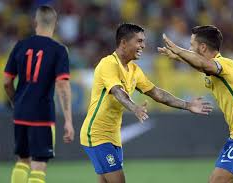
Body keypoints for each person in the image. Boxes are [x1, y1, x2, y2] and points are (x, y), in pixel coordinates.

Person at [80, 23, 213, 183]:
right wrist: (134, 107)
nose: (143, 45)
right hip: (96, 135)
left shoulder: (134, 70)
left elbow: (156, 93)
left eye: (143, 41)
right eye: (139, 41)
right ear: (123, 42)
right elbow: (117, 91)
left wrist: (187, 105)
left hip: (113, 137)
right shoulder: (108, 64)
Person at [158, 25, 233, 183]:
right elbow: (201, 65)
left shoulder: (223, 65)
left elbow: (204, 65)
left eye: (191, 45)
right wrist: (179, 57)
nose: (189, 48)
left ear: (202, 47)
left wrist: (178, 50)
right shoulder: (220, 66)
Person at [3, 5, 74, 183]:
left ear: (35, 21)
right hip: (42, 114)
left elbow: (6, 82)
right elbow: (62, 85)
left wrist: (15, 102)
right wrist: (68, 120)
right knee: (39, 164)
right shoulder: (59, 50)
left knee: (22, 161)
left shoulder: (20, 46)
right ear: (55, 23)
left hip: (20, 113)